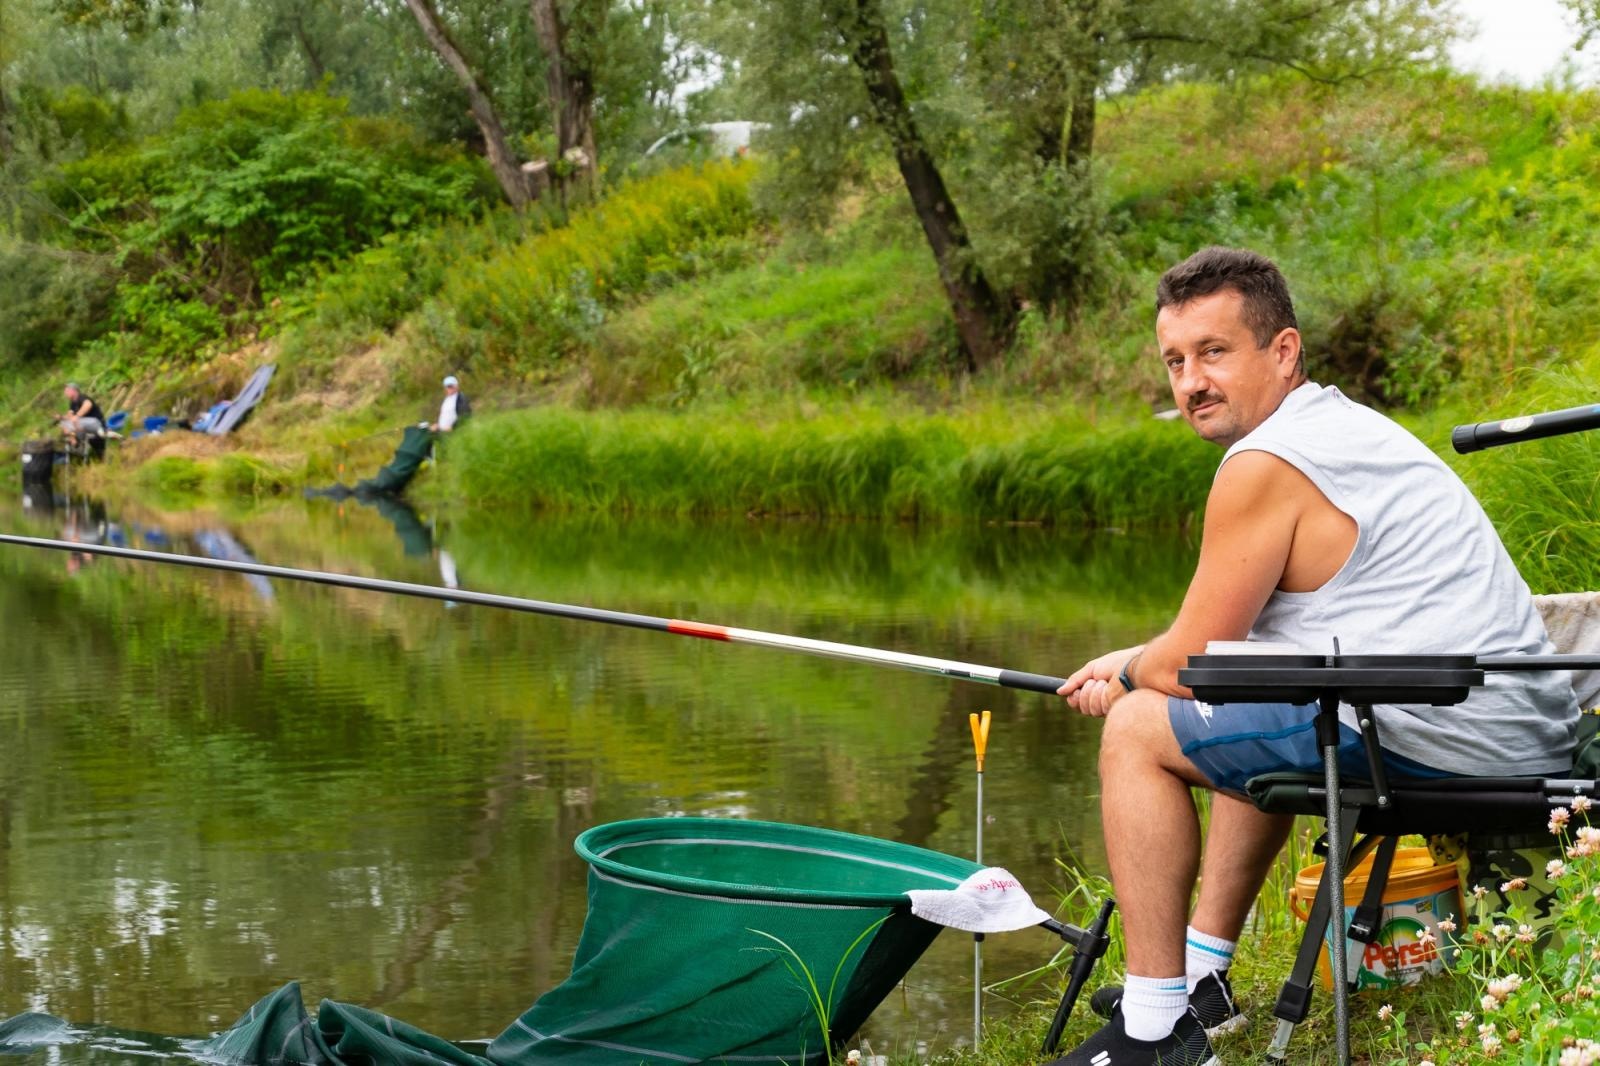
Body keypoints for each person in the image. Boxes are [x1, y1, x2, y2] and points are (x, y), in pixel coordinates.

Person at [1049, 247, 1577, 1066]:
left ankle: (1156, 1032)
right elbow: (1224, 656)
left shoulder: (1265, 463)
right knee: (1235, 702)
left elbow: (1186, 661)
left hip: (1458, 737)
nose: (1191, 382)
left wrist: (1124, 673)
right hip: (1500, 722)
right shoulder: (1338, 427)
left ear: (1283, 351)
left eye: (1215, 353)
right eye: (1175, 361)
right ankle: (1204, 980)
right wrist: (1144, 655)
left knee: (1137, 731)